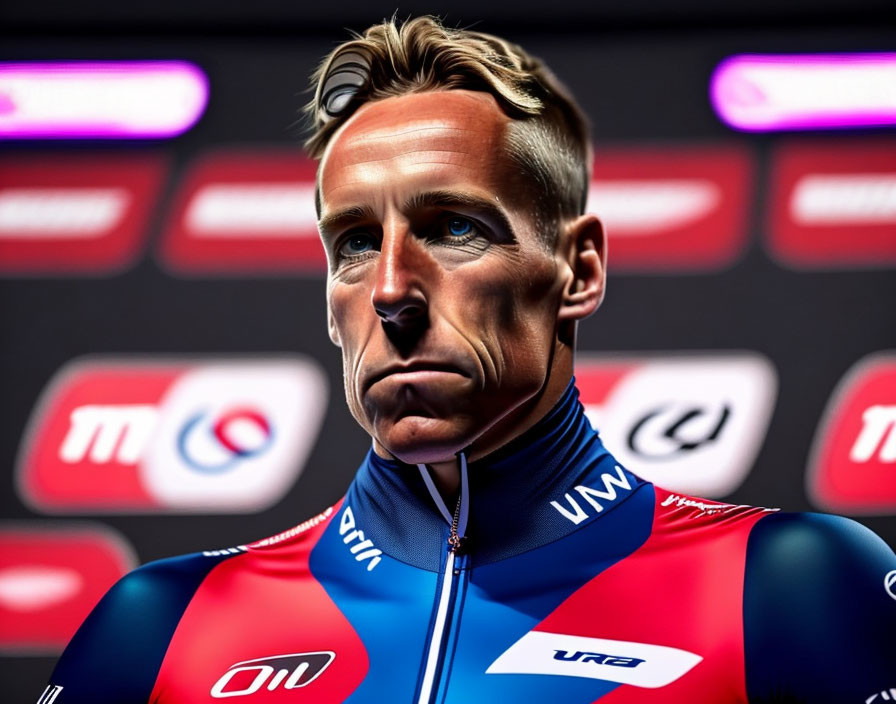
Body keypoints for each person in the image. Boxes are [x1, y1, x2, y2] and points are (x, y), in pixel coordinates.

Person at [39, 15, 895, 704]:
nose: (391, 290)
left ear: (579, 271)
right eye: (355, 243)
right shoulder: (159, 627)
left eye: (454, 228)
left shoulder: (790, 587)